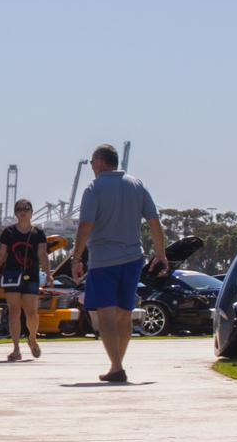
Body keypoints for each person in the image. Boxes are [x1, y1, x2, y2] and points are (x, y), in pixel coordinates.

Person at [68, 144, 166, 384]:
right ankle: (116, 366)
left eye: (92, 163)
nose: (91, 168)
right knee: (124, 314)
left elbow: (85, 225)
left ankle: (117, 367)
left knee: (106, 315)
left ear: (100, 162)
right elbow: (154, 221)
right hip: (133, 259)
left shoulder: (94, 188)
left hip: (103, 261)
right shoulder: (136, 184)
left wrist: (77, 257)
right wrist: (161, 254)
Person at [0, 198, 48, 361]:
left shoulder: (38, 233)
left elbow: (42, 254)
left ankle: (32, 339)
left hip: (31, 275)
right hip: (12, 275)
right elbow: (1, 254)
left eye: (26, 208)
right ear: (15, 212)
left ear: (31, 211)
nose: (23, 211)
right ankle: (16, 349)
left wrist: (49, 274)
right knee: (14, 311)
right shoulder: (9, 232)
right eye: (20, 208)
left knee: (31, 313)